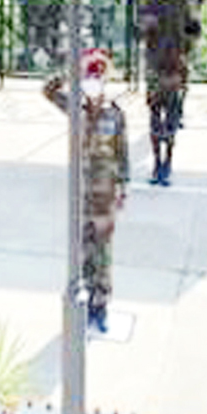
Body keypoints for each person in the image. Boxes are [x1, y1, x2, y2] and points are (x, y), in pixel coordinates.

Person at [43, 49, 128, 333]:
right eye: (90, 77)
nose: (94, 82)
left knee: (103, 255)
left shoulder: (114, 115)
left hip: (105, 196)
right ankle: (85, 303)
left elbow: (122, 153)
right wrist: (73, 74)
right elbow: (47, 90)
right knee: (83, 252)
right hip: (81, 195)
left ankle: (100, 307)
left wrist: (123, 187)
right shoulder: (75, 108)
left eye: (97, 77)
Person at [141, 0, 192, 186]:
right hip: (157, 63)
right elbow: (139, 27)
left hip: (171, 62)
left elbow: (192, 27)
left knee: (168, 115)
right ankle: (158, 164)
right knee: (156, 115)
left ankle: (165, 164)